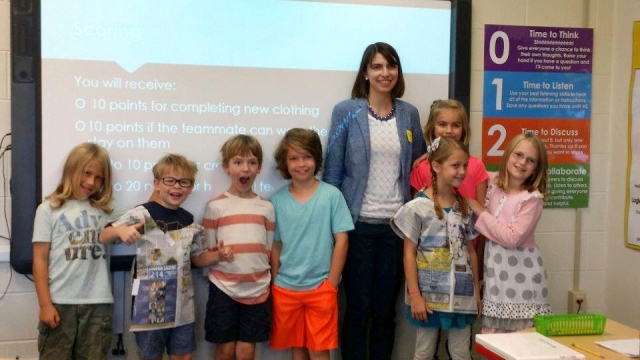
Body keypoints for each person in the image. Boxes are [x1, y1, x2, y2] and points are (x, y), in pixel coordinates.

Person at [323, 42, 425, 359]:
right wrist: (333, 227)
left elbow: (418, 169)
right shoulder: (346, 111)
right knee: (358, 308)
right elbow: (334, 170)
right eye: (377, 67)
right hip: (357, 227)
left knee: (384, 311)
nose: (385, 73)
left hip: (396, 230)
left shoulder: (409, 114)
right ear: (366, 73)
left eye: (390, 66)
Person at [100, 154, 223, 360]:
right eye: (170, 181)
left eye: (184, 182)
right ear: (157, 183)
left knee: (184, 356)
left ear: (191, 187)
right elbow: (104, 235)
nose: (177, 187)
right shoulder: (142, 214)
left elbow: (197, 259)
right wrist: (120, 232)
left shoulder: (189, 220)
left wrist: (219, 256)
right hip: (149, 307)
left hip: (183, 308)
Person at [391, 137, 481, 360]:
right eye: (455, 165)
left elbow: (470, 251)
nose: (462, 171)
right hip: (428, 298)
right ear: (436, 166)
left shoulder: (465, 207)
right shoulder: (417, 207)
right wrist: (415, 295)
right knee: (424, 352)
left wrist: (476, 292)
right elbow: (408, 253)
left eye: (465, 166)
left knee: (460, 352)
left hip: (462, 296)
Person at [269, 128, 353, 360]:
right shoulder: (276, 200)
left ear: (316, 159)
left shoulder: (331, 195)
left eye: (307, 157)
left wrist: (331, 283)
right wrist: (276, 281)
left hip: (321, 287)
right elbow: (275, 245)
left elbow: (342, 240)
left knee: (319, 350)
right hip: (286, 288)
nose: (301, 164)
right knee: (298, 349)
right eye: (293, 158)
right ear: (285, 163)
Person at [32, 142, 115, 360]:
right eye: (87, 173)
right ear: (72, 169)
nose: (91, 182)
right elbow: (40, 259)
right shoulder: (48, 209)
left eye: (99, 178)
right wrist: (45, 304)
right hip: (59, 303)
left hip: (97, 306)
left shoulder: (104, 212)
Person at [467, 132, 553, 333]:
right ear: (508, 155)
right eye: (518, 155)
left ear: (536, 168)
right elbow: (466, 167)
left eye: (531, 160)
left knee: (521, 340)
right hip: (496, 278)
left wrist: (480, 212)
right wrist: (431, 155)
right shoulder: (493, 184)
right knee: (493, 336)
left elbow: (511, 238)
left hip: (522, 280)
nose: (522, 163)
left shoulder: (532, 199)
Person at [202, 135, 275, 360]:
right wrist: (218, 257)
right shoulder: (215, 207)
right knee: (224, 349)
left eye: (252, 162)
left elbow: (269, 249)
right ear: (226, 166)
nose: (245, 169)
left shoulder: (266, 207)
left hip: (258, 289)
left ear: (259, 168)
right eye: (238, 162)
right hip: (223, 288)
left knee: (246, 350)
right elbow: (209, 250)